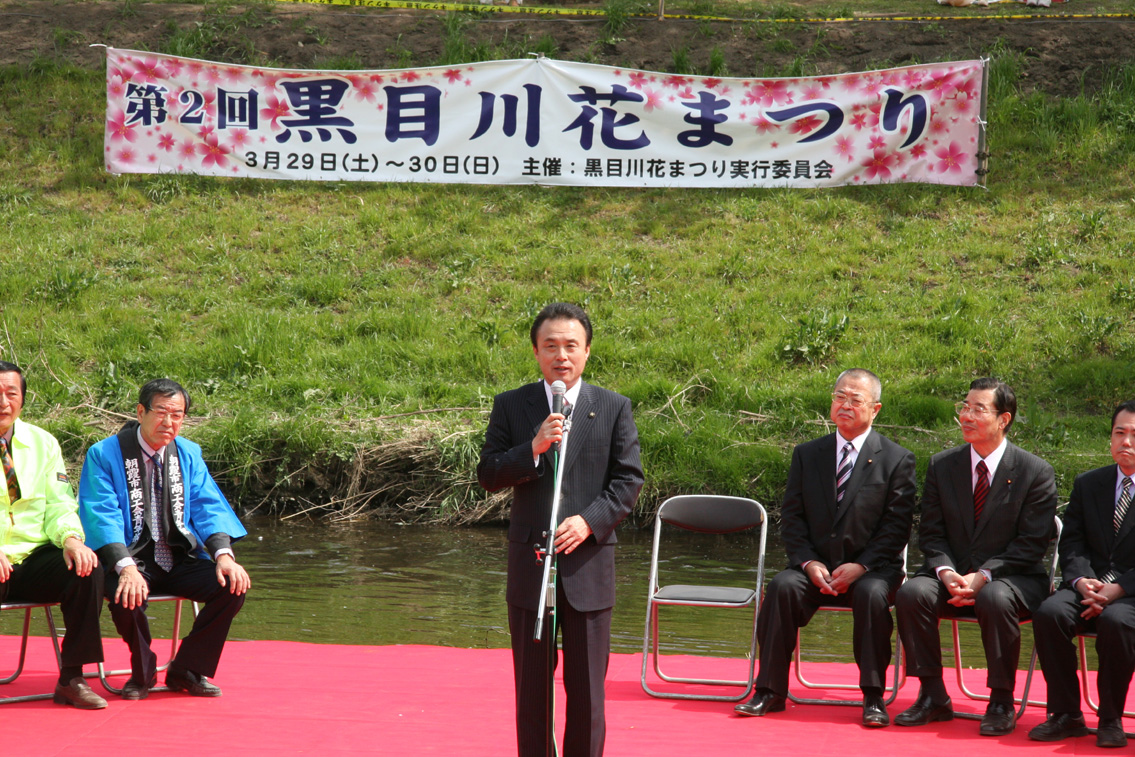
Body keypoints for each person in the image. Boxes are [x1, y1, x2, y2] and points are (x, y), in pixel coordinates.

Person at [478, 303, 644, 757]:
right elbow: (489, 474)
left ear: (587, 351)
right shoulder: (512, 405)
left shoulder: (612, 407)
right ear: (536, 352)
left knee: (588, 692)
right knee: (532, 692)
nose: (561, 355)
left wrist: (589, 521)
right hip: (531, 566)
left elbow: (628, 481)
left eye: (571, 345)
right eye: (550, 345)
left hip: (588, 567)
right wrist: (532, 448)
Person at [734, 369, 916, 727]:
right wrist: (807, 563)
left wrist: (861, 566)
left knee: (871, 594)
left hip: (872, 569)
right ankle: (769, 691)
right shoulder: (808, 454)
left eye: (855, 399)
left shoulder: (897, 459)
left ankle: (873, 696)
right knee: (783, 587)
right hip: (815, 566)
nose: (845, 405)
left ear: (875, 409)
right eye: (839, 397)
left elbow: (896, 528)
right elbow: (793, 517)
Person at [895, 377, 1057, 736]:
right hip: (952, 572)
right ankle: (932, 695)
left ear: (1004, 419)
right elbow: (932, 533)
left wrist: (983, 575)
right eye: (963, 407)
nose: (966, 416)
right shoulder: (942, 465)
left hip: (1013, 578)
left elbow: (1031, 545)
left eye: (978, 409)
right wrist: (945, 570)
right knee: (911, 593)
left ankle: (1001, 700)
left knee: (995, 596)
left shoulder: (1035, 472)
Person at [78, 378, 250, 700]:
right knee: (123, 594)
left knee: (232, 586)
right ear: (141, 411)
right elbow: (101, 513)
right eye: (161, 412)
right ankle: (143, 673)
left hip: (178, 557)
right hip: (130, 558)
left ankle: (186, 668)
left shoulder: (188, 453)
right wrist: (125, 567)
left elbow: (206, 504)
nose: (168, 423)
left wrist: (224, 555)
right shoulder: (104, 454)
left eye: (177, 415)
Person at [1027, 399, 1135, 748]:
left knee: (1117, 622)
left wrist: (1118, 588)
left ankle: (1110, 718)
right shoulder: (1089, 483)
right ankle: (1066, 714)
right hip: (1087, 583)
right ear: (1110, 438)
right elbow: (1071, 542)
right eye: (1120, 433)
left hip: (1131, 593)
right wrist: (1081, 582)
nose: (1126, 442)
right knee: (1050, 612)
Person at [0, 361, 107, 709]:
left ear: (22, 399)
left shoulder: (43, 443)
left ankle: (72, 677)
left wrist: (72, 540)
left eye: (10, 393)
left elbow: (60, 504)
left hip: (31, 557)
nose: (3, 401)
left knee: (87, 568)